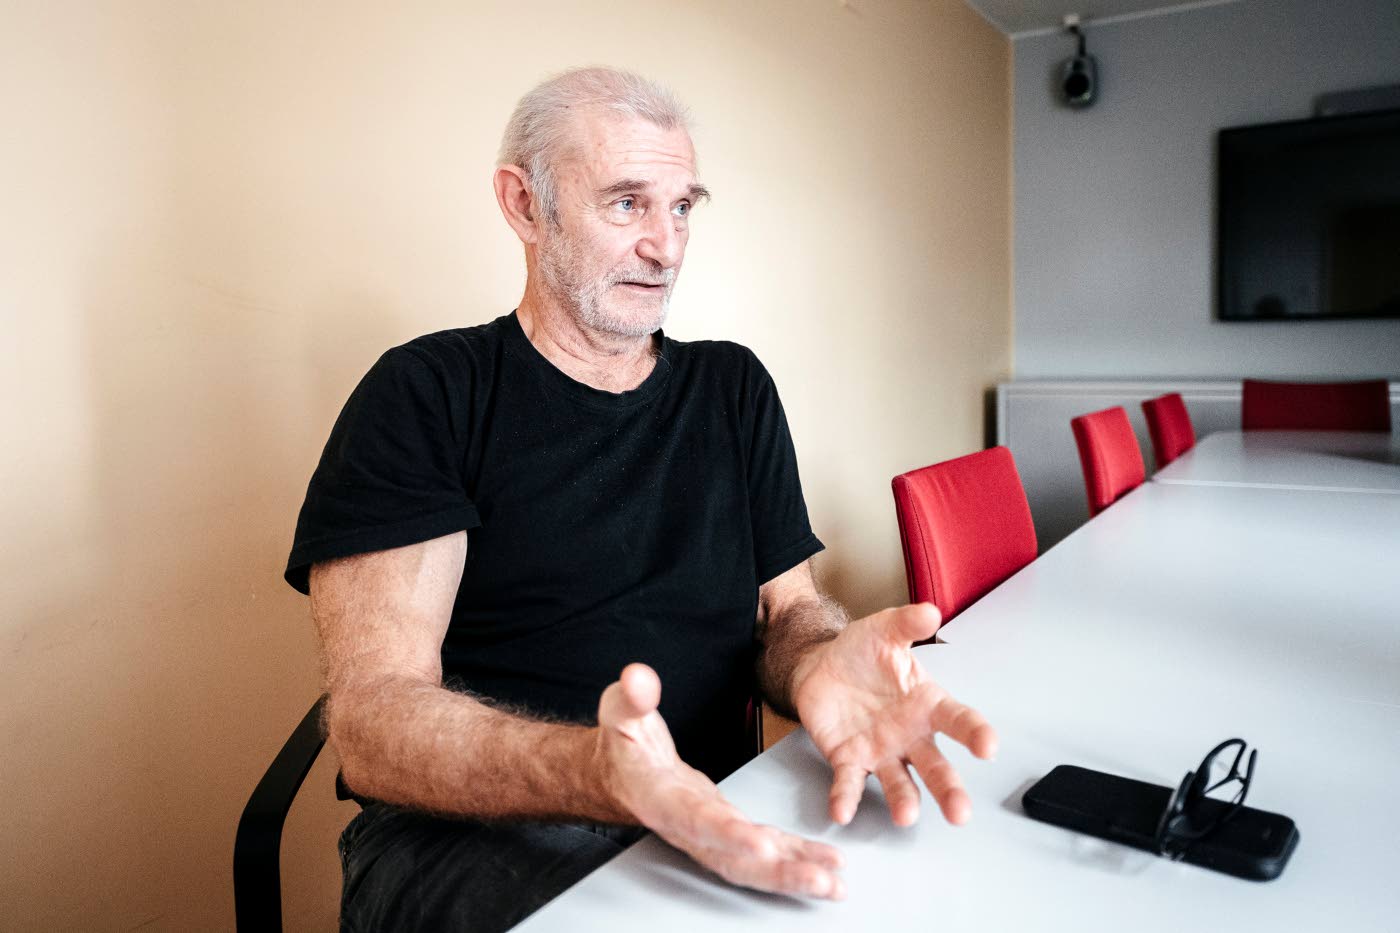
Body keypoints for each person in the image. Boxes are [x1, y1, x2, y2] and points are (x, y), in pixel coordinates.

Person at [285, 66, 997, 933]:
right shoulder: (427, 393)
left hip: (707, 808)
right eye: (627, 204)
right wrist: (601, 772)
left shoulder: (734, 389)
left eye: (683, 207)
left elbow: (788, 613)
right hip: (468, 835)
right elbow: (373, 717)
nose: (667, 247)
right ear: (524, 205)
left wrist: (819, 658)